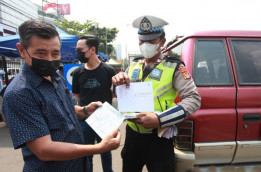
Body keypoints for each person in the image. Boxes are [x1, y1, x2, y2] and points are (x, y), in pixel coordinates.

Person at [2, 19, 121, 172]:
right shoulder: (19, 93)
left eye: (55, 53)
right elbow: (45, 150)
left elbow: (69, 109)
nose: (50, 59)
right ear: (22, 50)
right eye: (41, 53)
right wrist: (98, 148)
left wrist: (84, 110)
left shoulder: (56, 77)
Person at [112, 15, 201, 172]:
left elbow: (193, 99)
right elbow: (120, 95)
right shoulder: (132, 66)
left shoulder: (174, 67)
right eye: (142, 40)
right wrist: (116, 84)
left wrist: (160, 119)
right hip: (133, 136)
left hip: (158, 138)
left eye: (151, 40)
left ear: (162, 41)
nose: (145, 44)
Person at [72, 35, 116, 172]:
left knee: (106, 152)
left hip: (105, 119)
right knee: (86, 153)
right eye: (76, 49)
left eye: (80, 49)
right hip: (85, 119)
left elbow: (114, 94)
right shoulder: (77, 73)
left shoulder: (108, 71)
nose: (78, 52)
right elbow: (77, 96)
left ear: (92, 49)